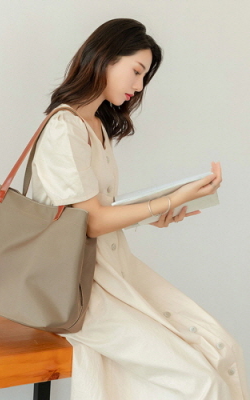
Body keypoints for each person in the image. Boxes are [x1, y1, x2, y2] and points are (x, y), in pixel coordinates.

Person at [31, 18, 249, 400]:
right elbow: (91, 223)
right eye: (136, 71)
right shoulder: (64, 127)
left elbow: (94, 213)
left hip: (112, 268)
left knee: (222, 350)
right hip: (77, 285)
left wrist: (158, 212)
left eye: (144, 76)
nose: (139, 85)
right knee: (202, 382)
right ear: (104, 58)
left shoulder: (94, 125)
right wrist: (169, 200)